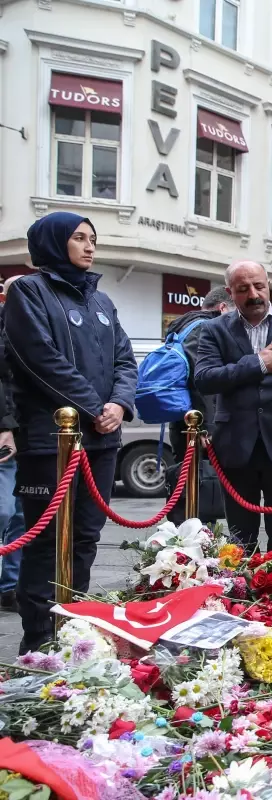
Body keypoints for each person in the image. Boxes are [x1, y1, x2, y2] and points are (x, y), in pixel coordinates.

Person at [6, 212, 136, 653]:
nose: (89, 246)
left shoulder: (101, 301)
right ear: (53, 242)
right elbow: (38, 357)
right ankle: (39, 639)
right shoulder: (28, 291)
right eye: (79, 238)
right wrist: (95, 406)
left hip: (101, 440)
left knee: (85, 536)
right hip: (50, 441)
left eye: (92, 239)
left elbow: (125, 359)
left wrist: (118, 404)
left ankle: (73, 626)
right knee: (46, 539)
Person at [194, 262, 272, 555]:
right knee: (240, 537)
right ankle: (243, 595)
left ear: (269, 284)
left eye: (259, 286)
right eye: (243, 289)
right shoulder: (213, 329)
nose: (253, 294)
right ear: (231, 293)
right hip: (234, 445)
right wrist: (258, 363)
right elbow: (204, 378)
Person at [163, 287, 230, 526]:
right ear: (223, 307)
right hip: (196, 423)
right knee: (202, 485)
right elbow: (201, 380)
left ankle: (194, 537)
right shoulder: (204, 328)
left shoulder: (181, 326)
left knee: (191, 482)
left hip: (182, 419)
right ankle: (198, 545)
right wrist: (206, 426)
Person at [0, 276, 25, 610]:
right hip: (6, 434)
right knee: (4, 510)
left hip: (28, 435)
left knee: (20, 516)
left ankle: (10, 587)